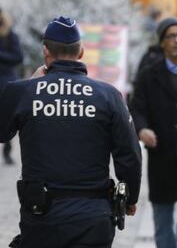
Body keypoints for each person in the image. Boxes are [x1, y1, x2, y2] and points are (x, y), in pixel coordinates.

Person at [0, 16, 142, 248]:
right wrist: (131, 197)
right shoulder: (108, 95)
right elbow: (129, 154)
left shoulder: (23, 91)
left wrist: (30, 85)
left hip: (42, 217)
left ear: (45, 52)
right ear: (82, 52)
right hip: (93, 218)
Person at [129, 17, 177, 248]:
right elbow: (137, 108)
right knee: (162, 221)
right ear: (162, 42)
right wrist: (142, 129)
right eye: (171, 36)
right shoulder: (149, 75)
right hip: (162, 156)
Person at [0, 8, 24, 165]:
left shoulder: (10, 35)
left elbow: (18, 57)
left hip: (5, 82)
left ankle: (7, 151)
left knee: (6, 117)